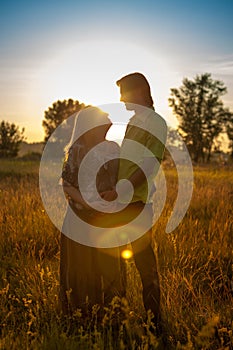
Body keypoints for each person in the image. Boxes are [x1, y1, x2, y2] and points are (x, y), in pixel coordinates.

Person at [101, 72, 167, 334]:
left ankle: (154, 324)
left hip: (137, 204)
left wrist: (123, 189)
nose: (120, 98)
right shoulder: (131, 123)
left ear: (138, 91)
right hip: (118, 203)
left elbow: (150, 163)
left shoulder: (156, 122)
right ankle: (118, 320)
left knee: (145, 266)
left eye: (123, 92)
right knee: (115, 264)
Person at [59, 106, 125, 316]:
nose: (110, 118)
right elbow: (67, 185)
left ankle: (112, 314)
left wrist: (115, 193)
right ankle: (83, 315)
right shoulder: (78, 149)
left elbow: (121, 179)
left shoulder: (113, 148)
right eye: (104, 116)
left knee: (110, 266)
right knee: (82, 267)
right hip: (80, 217)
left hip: (108, 218)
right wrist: (88, 203)